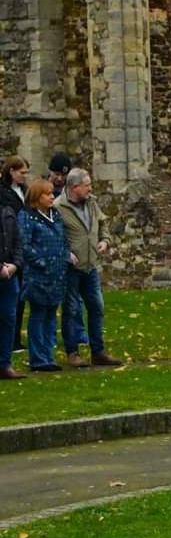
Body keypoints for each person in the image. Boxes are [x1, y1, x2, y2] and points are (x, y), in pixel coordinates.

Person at [57, 168, 122, 367]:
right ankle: (72, 352)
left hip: (90, 266)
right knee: (71, 310)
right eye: (87, 185)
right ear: (75, 187)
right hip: (71, 268)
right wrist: (64, 252)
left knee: (97, 307)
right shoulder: (58, 207)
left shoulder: (92, 202)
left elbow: (103, 224)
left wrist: (105, 240)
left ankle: (98, 351)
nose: (90, 189)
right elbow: (52, 234)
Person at [17, 179, 68, 372]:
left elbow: (63, 239)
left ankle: (48, 354)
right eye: (47, 194)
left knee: (50, 316)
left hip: (57, 274)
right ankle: (38, 358)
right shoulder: (27, 217)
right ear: (37, 197)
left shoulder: (55, 215)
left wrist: (64, 256)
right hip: (38, 275)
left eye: (52, 194)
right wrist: (41, 262)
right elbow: (24, 244)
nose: (52, 197)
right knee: (38, 315)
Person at [1, 156, 31, 352]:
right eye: (21, 172)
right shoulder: (3, 193)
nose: (24, 176)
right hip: (8, 248)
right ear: (11, 171)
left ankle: (15, 339)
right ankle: (9, 341)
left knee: (19, 297)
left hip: (21, 246)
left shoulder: (24, 191)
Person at [0, 186, 24, 379]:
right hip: (3, 270)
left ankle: (4, 364)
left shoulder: (8, 211)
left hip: (9, 274)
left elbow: (18, 240)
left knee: (9, 318)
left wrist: (15, 265)